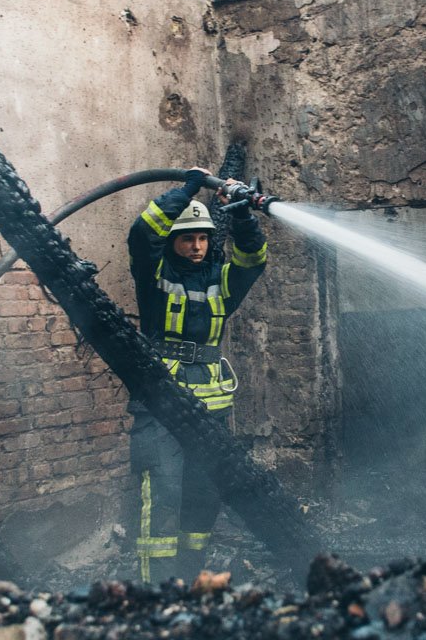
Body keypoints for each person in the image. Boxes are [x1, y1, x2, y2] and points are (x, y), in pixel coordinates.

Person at [126, 166, 268, 584]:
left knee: (205, 496)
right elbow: (142, 233)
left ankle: (190, 583)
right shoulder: (154, 275)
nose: (197, 246)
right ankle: (159, 594)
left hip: (212, 405)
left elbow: (254, 259)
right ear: (173, 241)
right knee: (165, 496)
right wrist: (188, 188)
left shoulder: (221, 279)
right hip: (161, 403)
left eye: (203, 237)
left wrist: (242, 217)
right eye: (188, 237)